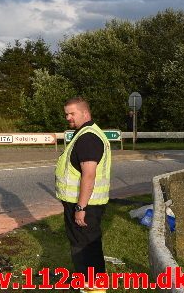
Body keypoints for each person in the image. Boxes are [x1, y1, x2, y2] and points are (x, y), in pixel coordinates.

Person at [55, 97, 112, 291]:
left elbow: (89, 175)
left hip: (85, 205)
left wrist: (80, 208)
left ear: (85, 113)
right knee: (84, 245)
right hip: (84, 203)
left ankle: (93, 288)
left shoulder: (88, 138)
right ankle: (88, 285)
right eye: (66, 114)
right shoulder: (85, 134)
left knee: (85, 248)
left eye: (72, 113)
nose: (68, 118)